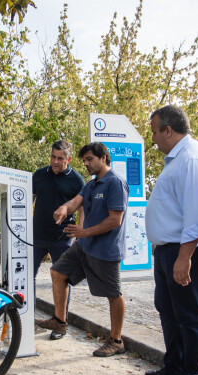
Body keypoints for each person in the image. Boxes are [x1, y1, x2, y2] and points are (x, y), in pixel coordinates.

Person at [144, 105, 198, 375]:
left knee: (189, 313)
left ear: (168, 129)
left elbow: (196, 215)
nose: (153, 138)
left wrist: (184, 257)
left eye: (154, 131)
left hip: (187, 248)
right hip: (170, 247)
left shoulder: (191, 159)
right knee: (168, 308)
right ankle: (175, 365)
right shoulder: (176, 158)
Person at [35, 142, 129, 357]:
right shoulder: (92, 184)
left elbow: (115, 220)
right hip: (84, 246)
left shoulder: (115, 183)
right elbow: (75, 201)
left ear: (103, 158)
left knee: (113, 294)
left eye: (89, 159)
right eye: (84, 160)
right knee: (58, 272)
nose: (86, 163)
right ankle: (60, 321)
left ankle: (116, 341)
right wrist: (64, 208)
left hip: (105, 250)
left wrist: (84, 232)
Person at [32, 140, 85, 340]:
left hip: (62, 238)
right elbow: (28, 199)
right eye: (53, 157)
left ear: (68, 159)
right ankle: (28, 316)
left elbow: (82, 208)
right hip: (36, 236)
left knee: (61, 280)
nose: (55, 161)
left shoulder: (77, 180)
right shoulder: (38, 175)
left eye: (60, 158)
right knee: (28, 277)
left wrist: (81, 230)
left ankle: (59, 323)